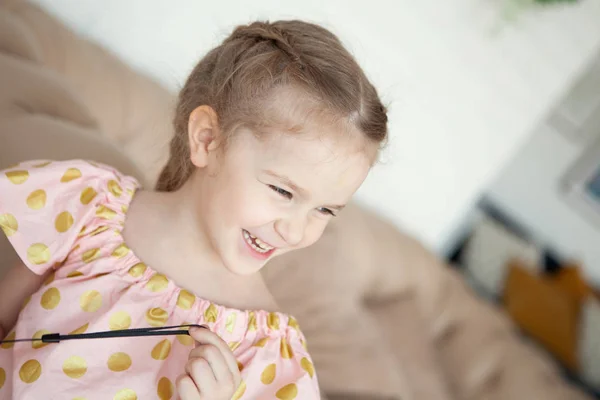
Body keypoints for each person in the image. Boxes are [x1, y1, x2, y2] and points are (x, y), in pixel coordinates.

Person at [0, 19, 388, 399]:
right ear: (207, 139)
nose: (295, 231)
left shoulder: (268, 356)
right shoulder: (91, 207)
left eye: (324, 210)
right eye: (283, 192)